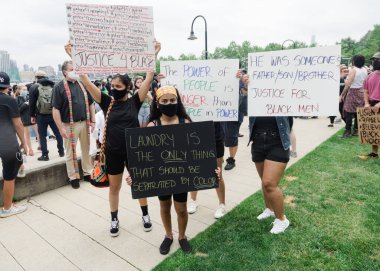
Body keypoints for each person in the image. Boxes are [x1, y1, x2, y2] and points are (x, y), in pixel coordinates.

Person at [64, 41, 161, 236]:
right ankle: (114, 219)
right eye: (113, 85)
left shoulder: (135, 101)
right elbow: (85, 79)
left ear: (127, 87)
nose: (114, 88)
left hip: (134, 152)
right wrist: (75, 55)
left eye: (119, 86)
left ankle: (145, 215)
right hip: (113, 153)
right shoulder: (106, 100)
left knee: (140, 186)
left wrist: (154, 54)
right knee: (114, 188)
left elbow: (150, 76)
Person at [127, 85, 220, 254]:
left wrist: (211, 169)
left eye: (172, 100)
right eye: (165, 101)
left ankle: (182, 236)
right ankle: (168, 235)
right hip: (161, 176)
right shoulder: (152, 125)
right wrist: (135, 176)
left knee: (182, 209)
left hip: (182, 176)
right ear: (157, 103)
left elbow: (198, 153)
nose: (169, 103)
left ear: (177, 101)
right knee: (164, 207)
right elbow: (144, 157)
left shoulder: (186, 123)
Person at [247, 75, 291, 234]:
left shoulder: (285, 91)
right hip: (258, 141)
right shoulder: (253, 91)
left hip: (277, 142)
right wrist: (245, 89)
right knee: (264, 180)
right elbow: (241, 109)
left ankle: (282, 220)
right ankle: (269, 209)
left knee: (269, 183)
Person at [52, 61, 95, 189]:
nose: (75, 71)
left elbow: (91, 104)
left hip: (84, 122)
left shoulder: (81, 84)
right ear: (65, 72)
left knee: (87, 149)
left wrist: (92, 121)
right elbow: (55, 110)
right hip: (68, 125)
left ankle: (88, 173)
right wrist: (60, 128)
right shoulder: (59, 87)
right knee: (71, 152)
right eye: (72, 69)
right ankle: (73, 177)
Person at [0, 72, 28, 218]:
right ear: (7, 86)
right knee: (9, 175)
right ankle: (7, 208)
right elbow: (18, 124)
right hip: (7, 141)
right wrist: (24, 143)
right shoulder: (9, 100)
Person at [29, 70, 64, 161]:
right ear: (46, 76)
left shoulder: (34, 87)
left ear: (36, 77)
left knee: (42, 135)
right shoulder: (53, 85)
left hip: (41, 115)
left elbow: (32, 103)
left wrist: (32, 115)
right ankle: (61, 151)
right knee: (58, 133)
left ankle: (45, 155)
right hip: (53, 114)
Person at [359, 52, 380, 159]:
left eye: (377, 60)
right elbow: (366, 91)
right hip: (372, 103)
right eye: (374, 60)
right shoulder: (370, 75)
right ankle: (374, 153)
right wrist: (367, 103)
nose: (375, 62)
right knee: (374, 130)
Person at [340, 55, 367, 138]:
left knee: (348, 111)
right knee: (358, 112)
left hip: (353, 92)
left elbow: (348, 84)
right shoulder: (364, 70)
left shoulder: (354, 70)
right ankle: (356, 130)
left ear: (354, 61)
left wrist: (342, 95)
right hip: (361, 92)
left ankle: (347, 131)